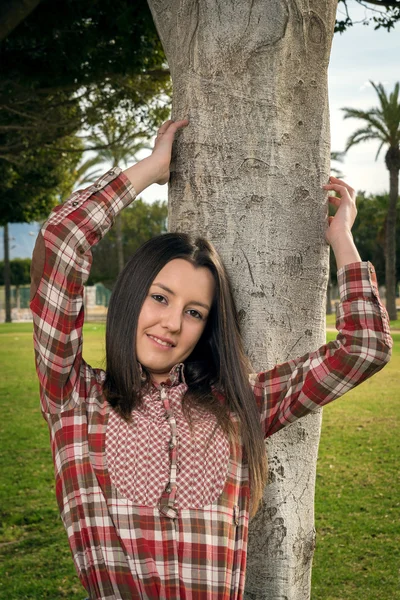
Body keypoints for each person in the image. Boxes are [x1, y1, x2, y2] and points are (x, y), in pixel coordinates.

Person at [30, 119, 392, 600]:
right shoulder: (72, 397)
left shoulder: (240, 406)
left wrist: (342, 239)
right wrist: (151, 169)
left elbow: (364, 347)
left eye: (194, 312)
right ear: (132, 295)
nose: (173, 323)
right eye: (160, 298)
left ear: (207, 326)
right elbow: (63, 240)